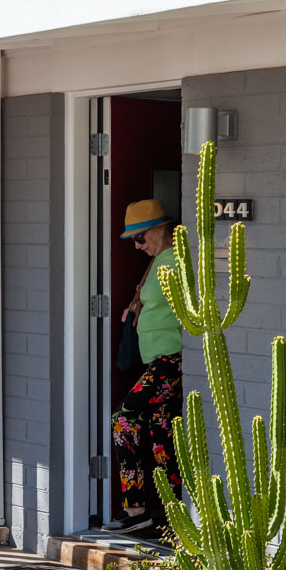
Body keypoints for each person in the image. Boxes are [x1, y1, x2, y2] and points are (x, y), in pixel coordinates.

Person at [105, 198, 183, 535]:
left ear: (161, 230)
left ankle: (135, 508)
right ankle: (173, 512)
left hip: (171, 360)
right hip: (157, 360)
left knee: (123, 419)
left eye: (140, 238)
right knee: (161, 431)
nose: (137, 246)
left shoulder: (178, 260)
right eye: (134, 240)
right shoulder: (159, 261)